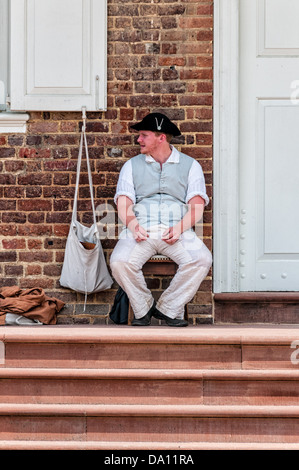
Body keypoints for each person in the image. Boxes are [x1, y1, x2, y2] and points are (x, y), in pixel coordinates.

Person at [110, 112, 212, 327]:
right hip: (141, 230)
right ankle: (143, 307)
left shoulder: (191, 165)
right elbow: (124, 204)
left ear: (161, 137)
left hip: (177, 230)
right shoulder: (131, 165)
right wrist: (133, 225)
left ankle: (168, 308)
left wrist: (180, 228)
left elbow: (196, 207)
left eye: (144, 135)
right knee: (119, 262)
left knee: (201, 259)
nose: (138, 139)